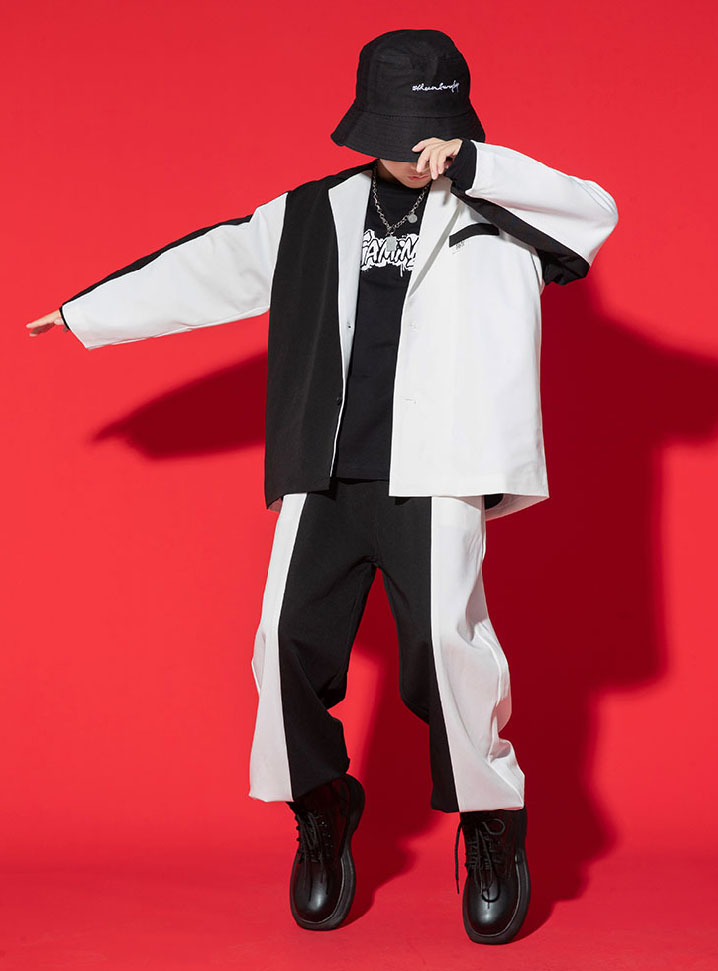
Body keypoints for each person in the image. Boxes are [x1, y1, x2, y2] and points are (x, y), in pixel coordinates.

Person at [26, 28, 618, 945]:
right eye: (396, 134)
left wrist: (476, 166)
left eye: (430, 134)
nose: (414, 152)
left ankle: (492, 818)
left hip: (439, 469)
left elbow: (593, 211)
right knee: (282, 647)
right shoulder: (315, 212)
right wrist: (84, 312)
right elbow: (210, 264)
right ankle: (323, 805)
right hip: (325, 472)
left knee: (446, 652)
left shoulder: (501, 209)